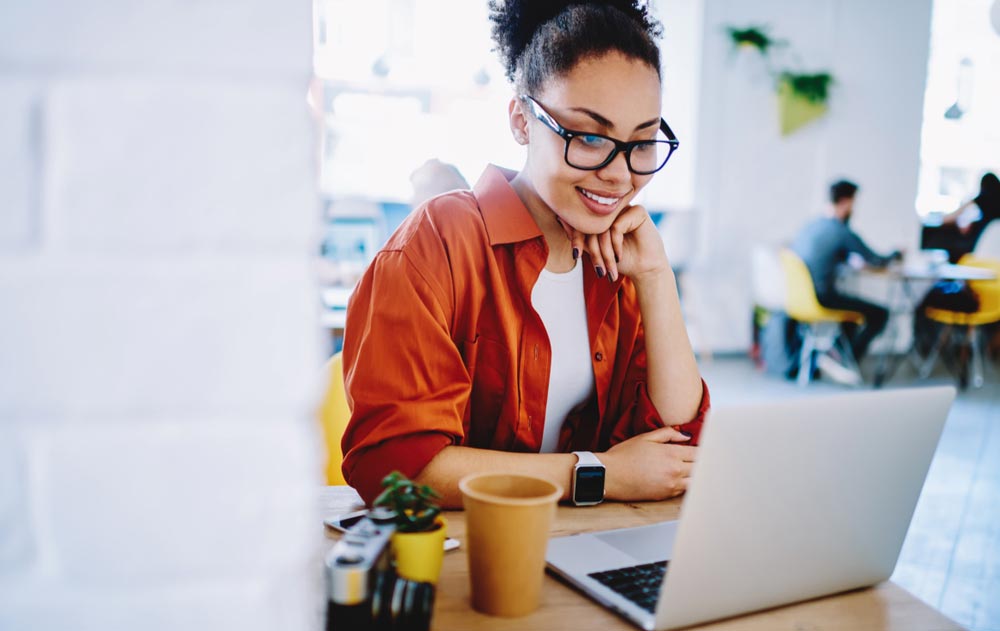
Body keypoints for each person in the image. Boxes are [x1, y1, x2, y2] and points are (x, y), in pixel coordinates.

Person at [340, 0, 709, 507]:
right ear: (521, 120)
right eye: (588, 137)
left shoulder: (619, 263)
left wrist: (655, 275)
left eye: (642, 143)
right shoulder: (437, 242)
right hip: (465, 555)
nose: (620, 175)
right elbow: (395, 468)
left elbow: (677, 449)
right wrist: (599, 474)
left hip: (583, 545)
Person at [790, 180, 901, 371]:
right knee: (880, 313)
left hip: (800, 299)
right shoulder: (841, 231)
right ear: (846, 202)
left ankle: (838, 354)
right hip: (823, 297)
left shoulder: (812, 225)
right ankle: (847, 362)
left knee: (851, 311)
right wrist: (897, 254)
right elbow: (876, 260)